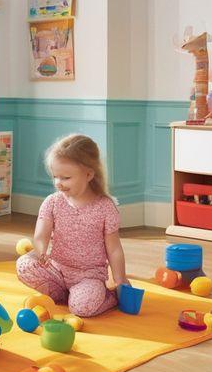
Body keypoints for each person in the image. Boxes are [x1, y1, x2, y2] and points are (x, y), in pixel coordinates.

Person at [16, 134, 129, 317]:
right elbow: (41, 234)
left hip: (88, 276)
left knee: (81, 308)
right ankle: (64, 294)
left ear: (89, 174)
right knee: (23, 265)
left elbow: (114, 248)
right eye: (55, 177)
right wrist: (40, 251)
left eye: (66, 178)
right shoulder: (52, 202)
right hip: (57, 270)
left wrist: (120, 280)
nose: (58, 183)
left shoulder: (105, 208)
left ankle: (107, 297)